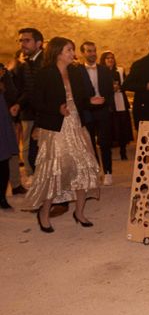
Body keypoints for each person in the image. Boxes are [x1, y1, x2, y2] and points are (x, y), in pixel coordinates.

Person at [25, 37, 102, 232]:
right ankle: (44, 213)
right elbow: (35, 101)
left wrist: (91, 101)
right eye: (69, 50)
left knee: (83, 166)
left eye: (73, 50)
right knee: (55, 170)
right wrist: (55, 110)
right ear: (58, 52)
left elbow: (81, 99)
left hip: (76, 124)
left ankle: (80, 212)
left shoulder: (75, 72)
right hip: (56, 128)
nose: (72, 54)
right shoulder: (45, 74)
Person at [80, 41, 114, 185]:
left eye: (94, 51)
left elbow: (110, 90)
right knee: (89, 144)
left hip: (103, 109)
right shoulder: (77, 71)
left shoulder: (104, 70)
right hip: (86, 110)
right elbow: (77, 93)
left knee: (105, 142)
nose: (92, 54)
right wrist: (88, 101)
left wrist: (106, 103)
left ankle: (107, 172)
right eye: (89, 51)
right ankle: (94, 171)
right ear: (83, 53)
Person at [12, 27, 45, 175]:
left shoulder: (45, 62)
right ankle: (34, 177)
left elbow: (43, 91)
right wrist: (18, 104)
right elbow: (27, 89)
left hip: (43, 114)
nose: (22, 44)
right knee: (28, 149)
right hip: (29, 112)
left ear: (38, 43)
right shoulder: (25, 62)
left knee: (40, 150)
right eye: (20, 41)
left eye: (27, 40)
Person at [99, 51, 133, 160]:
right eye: (107, 58)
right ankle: (107, 152)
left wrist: (120, 88)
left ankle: (123, 151)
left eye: (112, 58)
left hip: (120, 101)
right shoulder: (100, 72)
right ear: (103, 60)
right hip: (108, 103)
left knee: (122, 127)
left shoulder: (120, 70)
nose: (110, 60)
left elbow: (126, 83)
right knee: (109, 128)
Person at [0, 63, 19, 209]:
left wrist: (5, 76)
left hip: (2, 122)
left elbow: (13, 94)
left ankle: (1, 198)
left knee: (3, 161)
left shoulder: (4, 79)